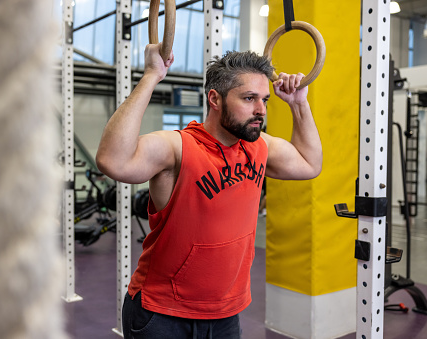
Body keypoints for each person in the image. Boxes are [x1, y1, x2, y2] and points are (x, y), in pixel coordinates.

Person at [96, 43, 322, 338]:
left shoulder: (260, 147)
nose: (261, 110)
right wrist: (152, 75)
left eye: (264, 99)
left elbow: (309, 164)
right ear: (214, 99)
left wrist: (298, 103)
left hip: (226, 315)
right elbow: (112, 160)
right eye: (249, 98)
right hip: (162, 314)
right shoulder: (178, 147)